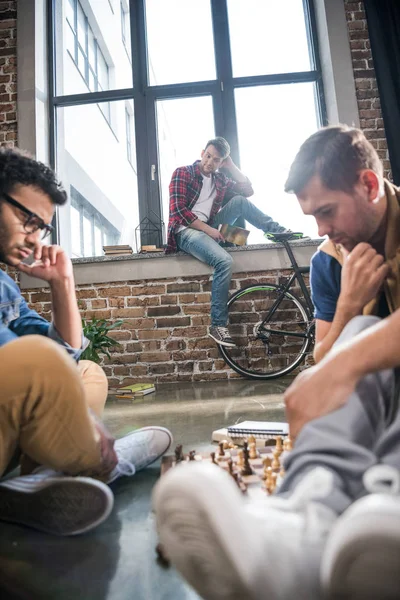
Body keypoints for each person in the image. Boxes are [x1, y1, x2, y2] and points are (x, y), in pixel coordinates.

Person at [153, 126, 400, 600]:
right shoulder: (331, 260)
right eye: (312, 216)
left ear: (369, 186)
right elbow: (321, 366)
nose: (322, 231)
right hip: (191, 232)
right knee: (358, 336)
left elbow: (338, 370)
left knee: (364, 346)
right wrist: (348, 308)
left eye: (326, 212)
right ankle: (305, 522)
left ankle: (387, 505)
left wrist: (346, 364)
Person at [0, 147, 172, 536]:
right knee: (39, 361)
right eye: (27, 220)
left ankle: (39, 480)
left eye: (40, 227)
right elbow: (35, 363)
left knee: (88, 371)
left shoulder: (4, 286)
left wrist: (63, 283)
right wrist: (85, 421)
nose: (33, 238)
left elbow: (65, 353)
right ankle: (105, 463)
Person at [166, 136, 287, 348]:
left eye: (216, 160)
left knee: (240, 207)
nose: (210, 162)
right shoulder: (182, 173)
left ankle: (276, 231)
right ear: (202, 152)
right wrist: (210, 231)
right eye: (208, 156)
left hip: (210, 228)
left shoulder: (220, 179)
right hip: (186, 232)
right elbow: (178, 211)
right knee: (225, 261)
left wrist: (231, 165)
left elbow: (248, 190)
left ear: (222, 162)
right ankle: (217, 325)